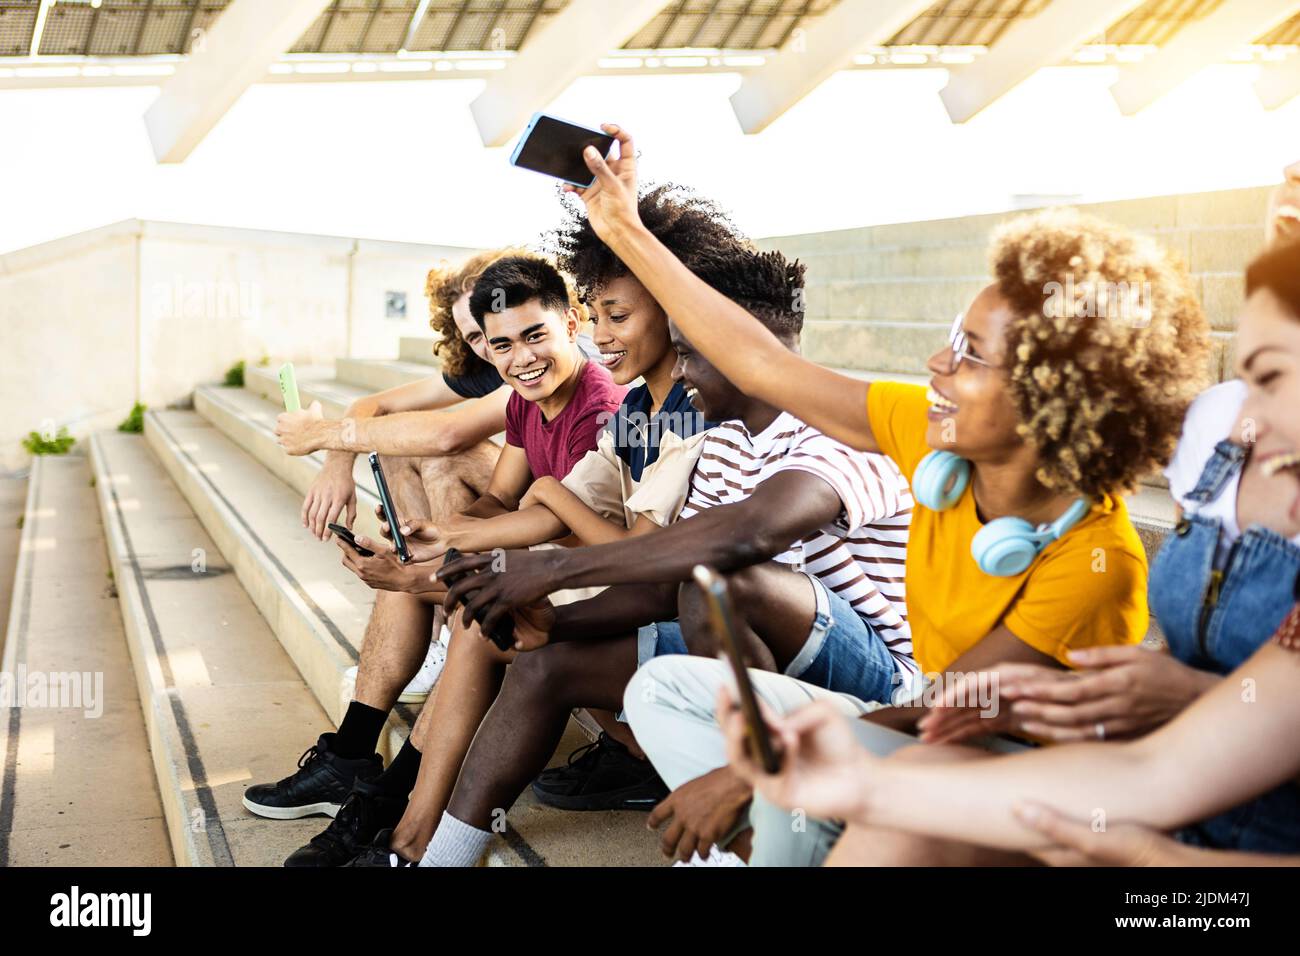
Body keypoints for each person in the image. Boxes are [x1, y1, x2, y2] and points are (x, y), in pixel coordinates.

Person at [722, 233, 1300, 868]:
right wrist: (849, 782)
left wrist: (1159, 866)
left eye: (1269, 377)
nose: (1245, 427)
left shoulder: (1099, 560)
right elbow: (1154, 770)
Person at [410, 246, 916, 868]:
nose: (681, 371)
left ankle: (749, 823)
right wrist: (552, 623)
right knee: (546, 668)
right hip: (762, 649)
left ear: (743, 345)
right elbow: (656, 586)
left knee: (720, 585)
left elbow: (747, 536)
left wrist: (553, 568)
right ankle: (436, 860)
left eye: (691, 351)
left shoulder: (839, 429)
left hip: (881, 679)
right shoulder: (724, 440)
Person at [320, 186, 737, 865]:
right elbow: (546, 507)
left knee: (489, 621)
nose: (604, 335)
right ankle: (404, 823)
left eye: (617, 316)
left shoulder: (682, 411)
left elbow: (631, 553)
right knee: (480, 606)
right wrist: (441, 545)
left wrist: (466, 551)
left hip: (677, 617)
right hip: (619, 589)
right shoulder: (638, 405)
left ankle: (409, 828)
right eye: (599, 314)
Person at [242, 252, 623, 856]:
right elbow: (499, 498)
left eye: (534, 337)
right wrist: (427, 544)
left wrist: (431, 565)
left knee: (470, 611)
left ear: (573, 324)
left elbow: (568, 540)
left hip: (596, 593)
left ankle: (397, 814)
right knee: (426, 569)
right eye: (498, 344)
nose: (520, 357)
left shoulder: (599, 408)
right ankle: (373, 784)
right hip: (550, 566)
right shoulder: (528, 397)